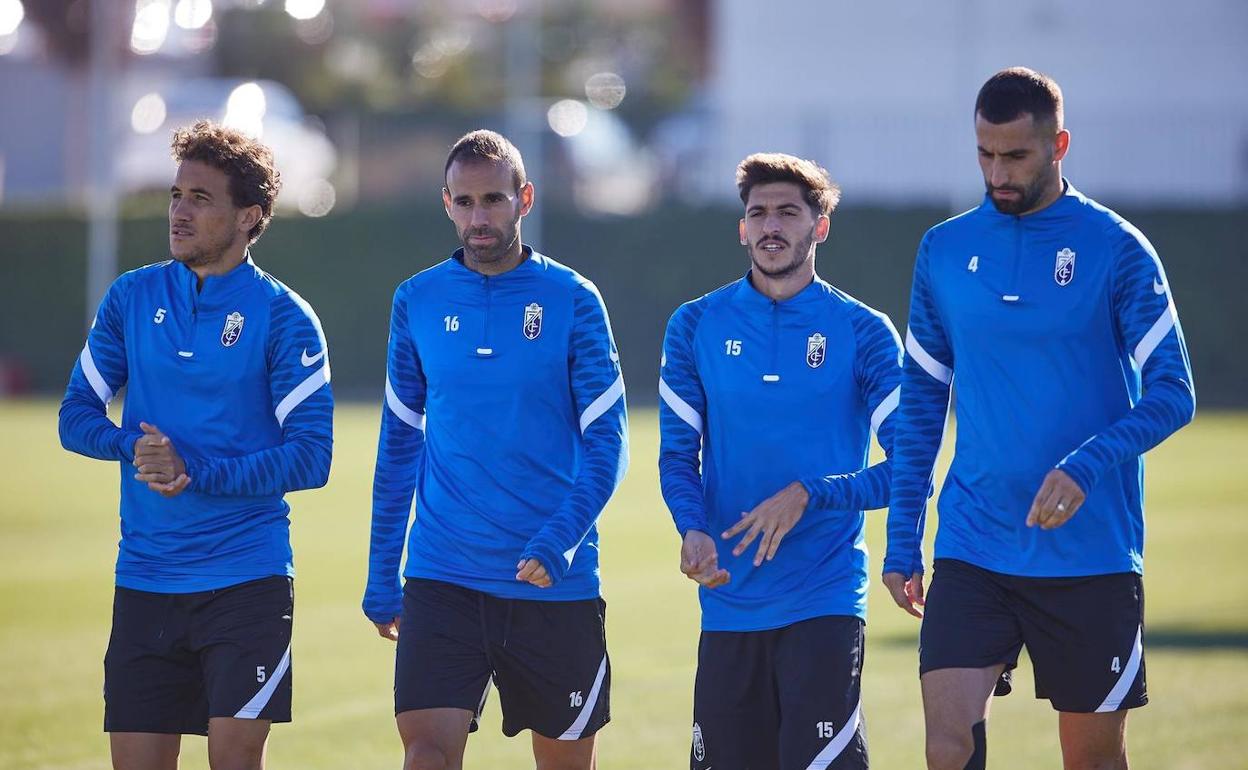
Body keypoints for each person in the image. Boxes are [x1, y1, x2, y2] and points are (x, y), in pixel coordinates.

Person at [882, 67, 1196, 770]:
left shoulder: (1116, 247)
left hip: (1090, 555)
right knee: (947, 744)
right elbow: (923, 401)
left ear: (1058, 144)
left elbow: (1174, 393)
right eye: (985, 154)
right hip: (974, 543)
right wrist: (903, 539)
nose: (998, 171)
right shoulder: (942, 249)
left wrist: (1086, 465)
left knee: (1092, 760)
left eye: (1016, 155)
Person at [58, 120, 334, 770]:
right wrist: (132, 448)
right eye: (176, 194)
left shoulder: (285, 316)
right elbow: (76, 415)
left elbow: (311, 457)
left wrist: (197, 470)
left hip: (247, 584)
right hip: (145, 580)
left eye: (200, 198)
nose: (179, 211)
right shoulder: (132, 297)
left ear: (249, 216)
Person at [363, 130, 628, 770]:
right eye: (464, 202)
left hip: (552, 583)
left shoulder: (573, 299)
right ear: (446, 203)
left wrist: (560, 537)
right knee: (426, 754)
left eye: (493, 200)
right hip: (442, 575)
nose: (479, 218)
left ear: (524, 199)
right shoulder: (416, 300)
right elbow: (399, 443)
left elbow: (608, 441)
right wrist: (381, 570)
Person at [659, 152, 902, 770]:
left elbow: (913, 468)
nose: (770, 226)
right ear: (742, 227)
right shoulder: (693, 325)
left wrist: (810, 493)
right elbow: (677, 455)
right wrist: (691, 526)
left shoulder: (863, 331)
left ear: (819, 226)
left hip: (823, 599)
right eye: (757, 213)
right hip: (728, 604)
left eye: (788, 213)